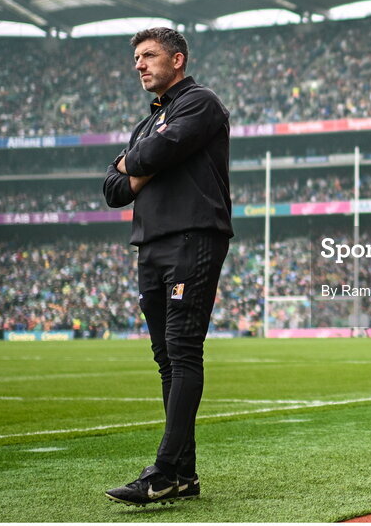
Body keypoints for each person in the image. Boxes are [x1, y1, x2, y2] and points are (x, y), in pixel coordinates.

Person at [102, 27, 233, 506]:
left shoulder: (200, 102)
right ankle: (183, 474)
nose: (138, 64)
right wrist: (140, 162)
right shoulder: (147, 122)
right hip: (150, 244)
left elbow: (150, 157)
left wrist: (132, 163)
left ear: (177, 59)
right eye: (136, 57)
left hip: (193, 235)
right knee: (166, 359)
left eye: (148, 55)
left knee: (182, 350)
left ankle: (163, 470)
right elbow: (112, 192)